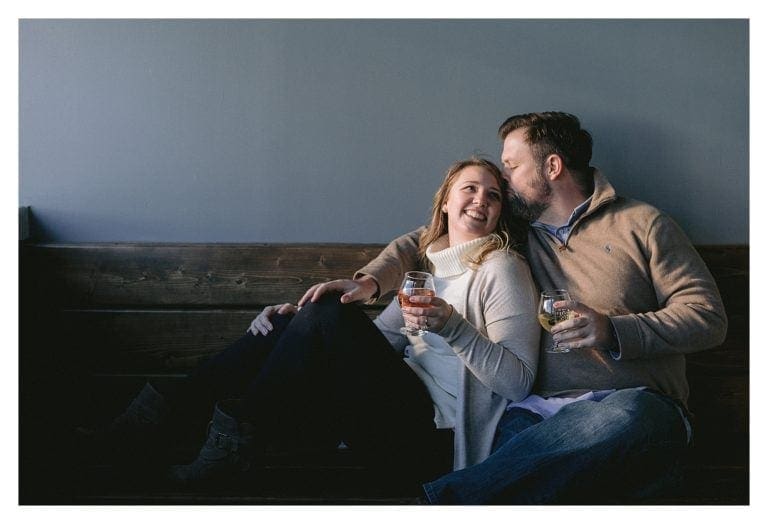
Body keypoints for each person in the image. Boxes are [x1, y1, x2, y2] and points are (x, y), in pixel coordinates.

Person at [301, 112, 728, 504]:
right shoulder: (516, 228)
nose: (502, 180)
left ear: (552, 168)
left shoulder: (642, 224)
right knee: (531, 460)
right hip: (535, 414)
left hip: (633, 402)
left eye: (512, 166)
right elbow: (425, 237)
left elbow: (707, 317)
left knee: (623, 422)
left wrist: (613, 330)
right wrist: (372, 280)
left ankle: (437, 505)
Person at [88, 157, 540, 487]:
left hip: (433, 441)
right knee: (298, 319)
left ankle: (173, 435)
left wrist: (454, 328)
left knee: (326, 311)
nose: (481, 200)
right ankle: (158, 427)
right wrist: (301, 325)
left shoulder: (501, 268)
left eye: (493, 195)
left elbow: (518, 382)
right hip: (389, 411)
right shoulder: (430, 268)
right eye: (470, 189)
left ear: (500, 211)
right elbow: (381, 340)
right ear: (446, 202)